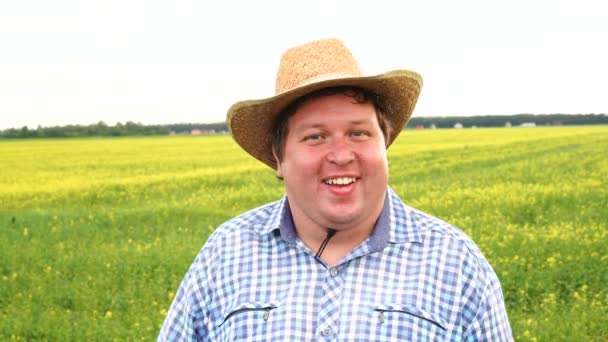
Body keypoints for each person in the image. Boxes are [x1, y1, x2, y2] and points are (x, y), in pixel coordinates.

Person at [159, 38, 513, 341]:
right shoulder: (226, 253)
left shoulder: (455, 261)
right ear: (279, 158)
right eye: (315, 137)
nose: (342, 156)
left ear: (384, 145)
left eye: (359, 133)